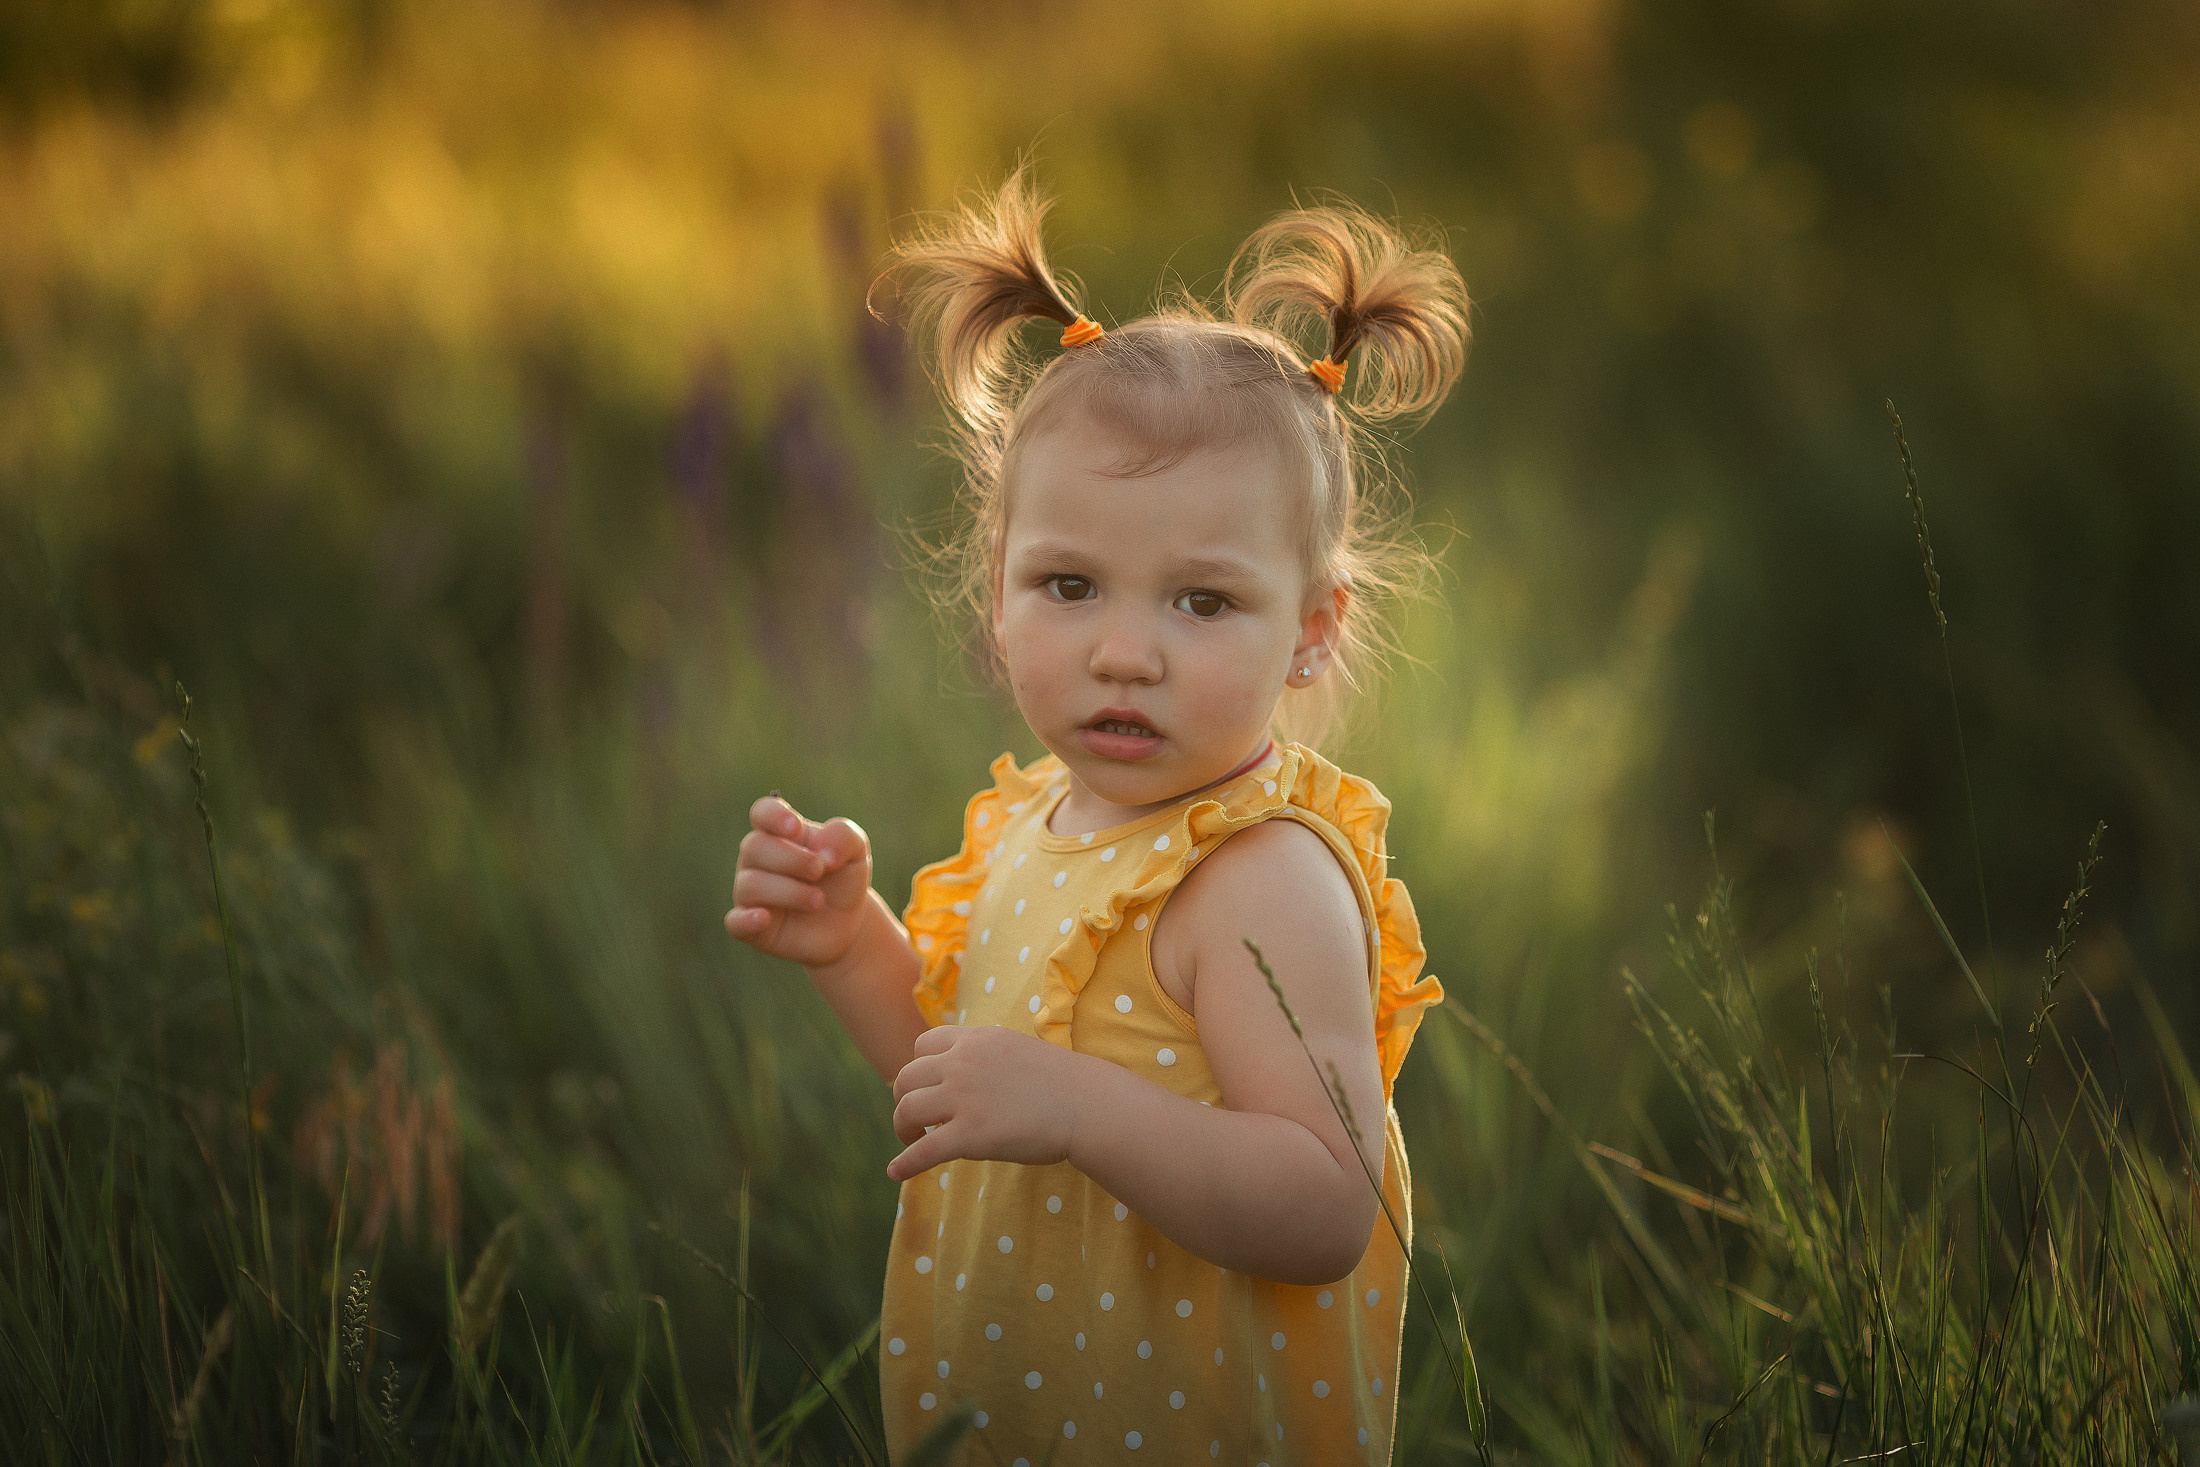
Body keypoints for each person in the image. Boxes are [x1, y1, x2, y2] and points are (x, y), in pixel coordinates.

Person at [726, 167, 1465, 1464]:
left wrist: (1081, 1109)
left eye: (1200, 603)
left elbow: (1323, 1201)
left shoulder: (1260, 880)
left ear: (1310, 632)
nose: (1126, 653)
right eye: (1070, 585)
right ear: (996, 596)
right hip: (1019, 1399)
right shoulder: (1040, 824)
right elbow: (967, 1094)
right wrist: (854, 948)